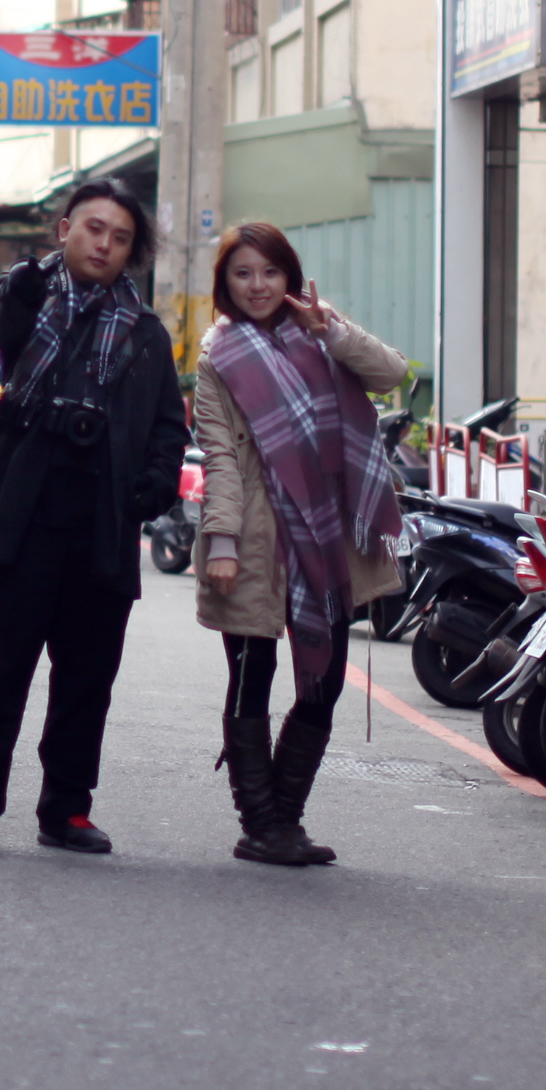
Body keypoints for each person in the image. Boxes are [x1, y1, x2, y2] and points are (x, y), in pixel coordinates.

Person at [0, 182, 187, 855]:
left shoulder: (148, 334)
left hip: (103, 520)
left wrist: (149, 489)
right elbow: (10, 306)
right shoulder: (30, 303)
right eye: (93, 229)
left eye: (120, 237)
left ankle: (66, 808)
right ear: (65, 230)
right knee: (0, 667)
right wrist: (37, 269)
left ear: (132, 252)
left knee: (87, 678)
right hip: (24, 515)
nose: (104, 244)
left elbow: (166, 427)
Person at [192, 221, 415, 866]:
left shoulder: (322, 335)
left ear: (289, 275)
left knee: (323, 682)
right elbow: (221, 460)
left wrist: (334, 332)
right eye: (243, 274)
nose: (258, 285)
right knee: (249, 678)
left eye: (269, 272)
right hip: (256, 538)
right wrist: (225, 541)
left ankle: (283, 820)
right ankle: (259, 823)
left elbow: (392, 373)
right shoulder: (219, 358)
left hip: (327, 536)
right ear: (226, 284)